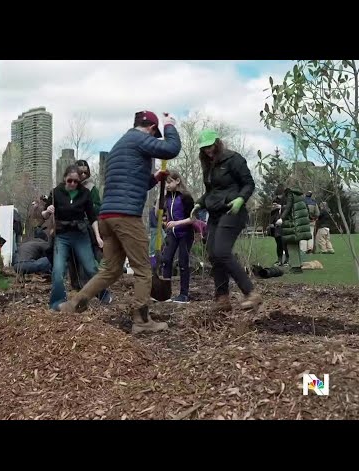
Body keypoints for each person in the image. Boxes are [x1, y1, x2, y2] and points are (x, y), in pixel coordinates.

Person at [58, 110, 180, 335]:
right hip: (126, 217)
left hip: (107, 217)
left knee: (110, 270)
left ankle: (73, 305)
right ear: (152, 129)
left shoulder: (119, 146)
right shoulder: (141, 139)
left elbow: (134, 184)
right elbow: (171, 149)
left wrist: (154, 179)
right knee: (143, 269)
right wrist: (170, 125)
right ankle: (142, 320)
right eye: (156, 134)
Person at [189, 129, 260, 311]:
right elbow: (211, 192)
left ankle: (251, 293)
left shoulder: (234, 159)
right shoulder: (208, 166)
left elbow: (249, 183)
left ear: (217, 143)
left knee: (221, 251)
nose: (208, 150)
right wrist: (199, 204)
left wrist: (241, 199)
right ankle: (222, 299)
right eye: (204, 148)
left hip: (233, 211)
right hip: (215, 214)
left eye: (210, 146)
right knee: (213, 253)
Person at [43, 165, 111, 311]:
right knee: (58, 270)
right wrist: (48, 211)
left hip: (81, 235)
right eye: (70, 181)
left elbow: (92, 218)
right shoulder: (56, 193)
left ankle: (104, 294)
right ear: (64, 179)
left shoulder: (85, 193)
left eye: (76, 181)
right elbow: (44, 215)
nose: (73, 184)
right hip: (62, 235)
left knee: (90, 267)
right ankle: (57, 303)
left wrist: (98, 237)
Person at [161, 171, 196, 303]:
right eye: (166, 183)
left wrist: (177, 223)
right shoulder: (167, 198)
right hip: (173, 234)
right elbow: (164, 214)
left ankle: (184, 294)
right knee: (166, 259)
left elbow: (193, 219)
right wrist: (165, 221)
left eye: (169, 182)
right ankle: (165, 293)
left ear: (177, 181)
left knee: (182, 263)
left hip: (186, 233)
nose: (167, 186)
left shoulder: (186, 197)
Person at [275, 180, 311, 273]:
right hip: (299, 223)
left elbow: (289, 207)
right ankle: (298, 265)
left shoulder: (290, 194)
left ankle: (295, 268)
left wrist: (281, 218)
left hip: (293, 224)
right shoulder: (299, 194)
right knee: (296, 245)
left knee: (291, 245)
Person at [268, 186, 289, 266]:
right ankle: (279, 259)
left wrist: (281, 207)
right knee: (278, 243)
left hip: (284, 223)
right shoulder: (275, 200)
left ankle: (287, 259)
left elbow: (289, 209)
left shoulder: (287, 200)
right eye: (277, 195)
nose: (278, 197)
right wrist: (271, 222)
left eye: (280, 195)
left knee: (285, 243)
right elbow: (272, 213)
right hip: (276, 224)